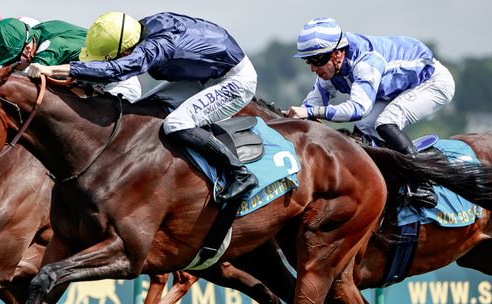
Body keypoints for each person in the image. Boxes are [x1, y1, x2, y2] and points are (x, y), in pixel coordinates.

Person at [27, 12, 258, 202]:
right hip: (204, 75)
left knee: (176, 124)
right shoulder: (139, 29)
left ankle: (239, 174)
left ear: (126, 50)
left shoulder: (157, 46)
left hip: (234, 81)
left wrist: (53, 70)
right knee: (144, 107)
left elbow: (116, 70)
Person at [285, 17, 456, 208]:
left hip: (432, 82)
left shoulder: (366, 62)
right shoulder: (331, 67)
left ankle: (421, 183)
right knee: (363, 128)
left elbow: (358, 109)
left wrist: (309, 113)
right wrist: (290, 120)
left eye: (317, 60)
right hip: (396, 88)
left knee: (385, 122)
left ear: (337, 53)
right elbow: (310, 105)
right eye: (309, 60)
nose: (313, 68)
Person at [0, 17, 141, 102]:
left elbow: (22, 87)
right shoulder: (40, 31)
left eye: (12, 61)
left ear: (27, 49)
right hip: (94, 88)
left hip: (119, 86)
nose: (12, 66)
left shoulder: (50, 50)